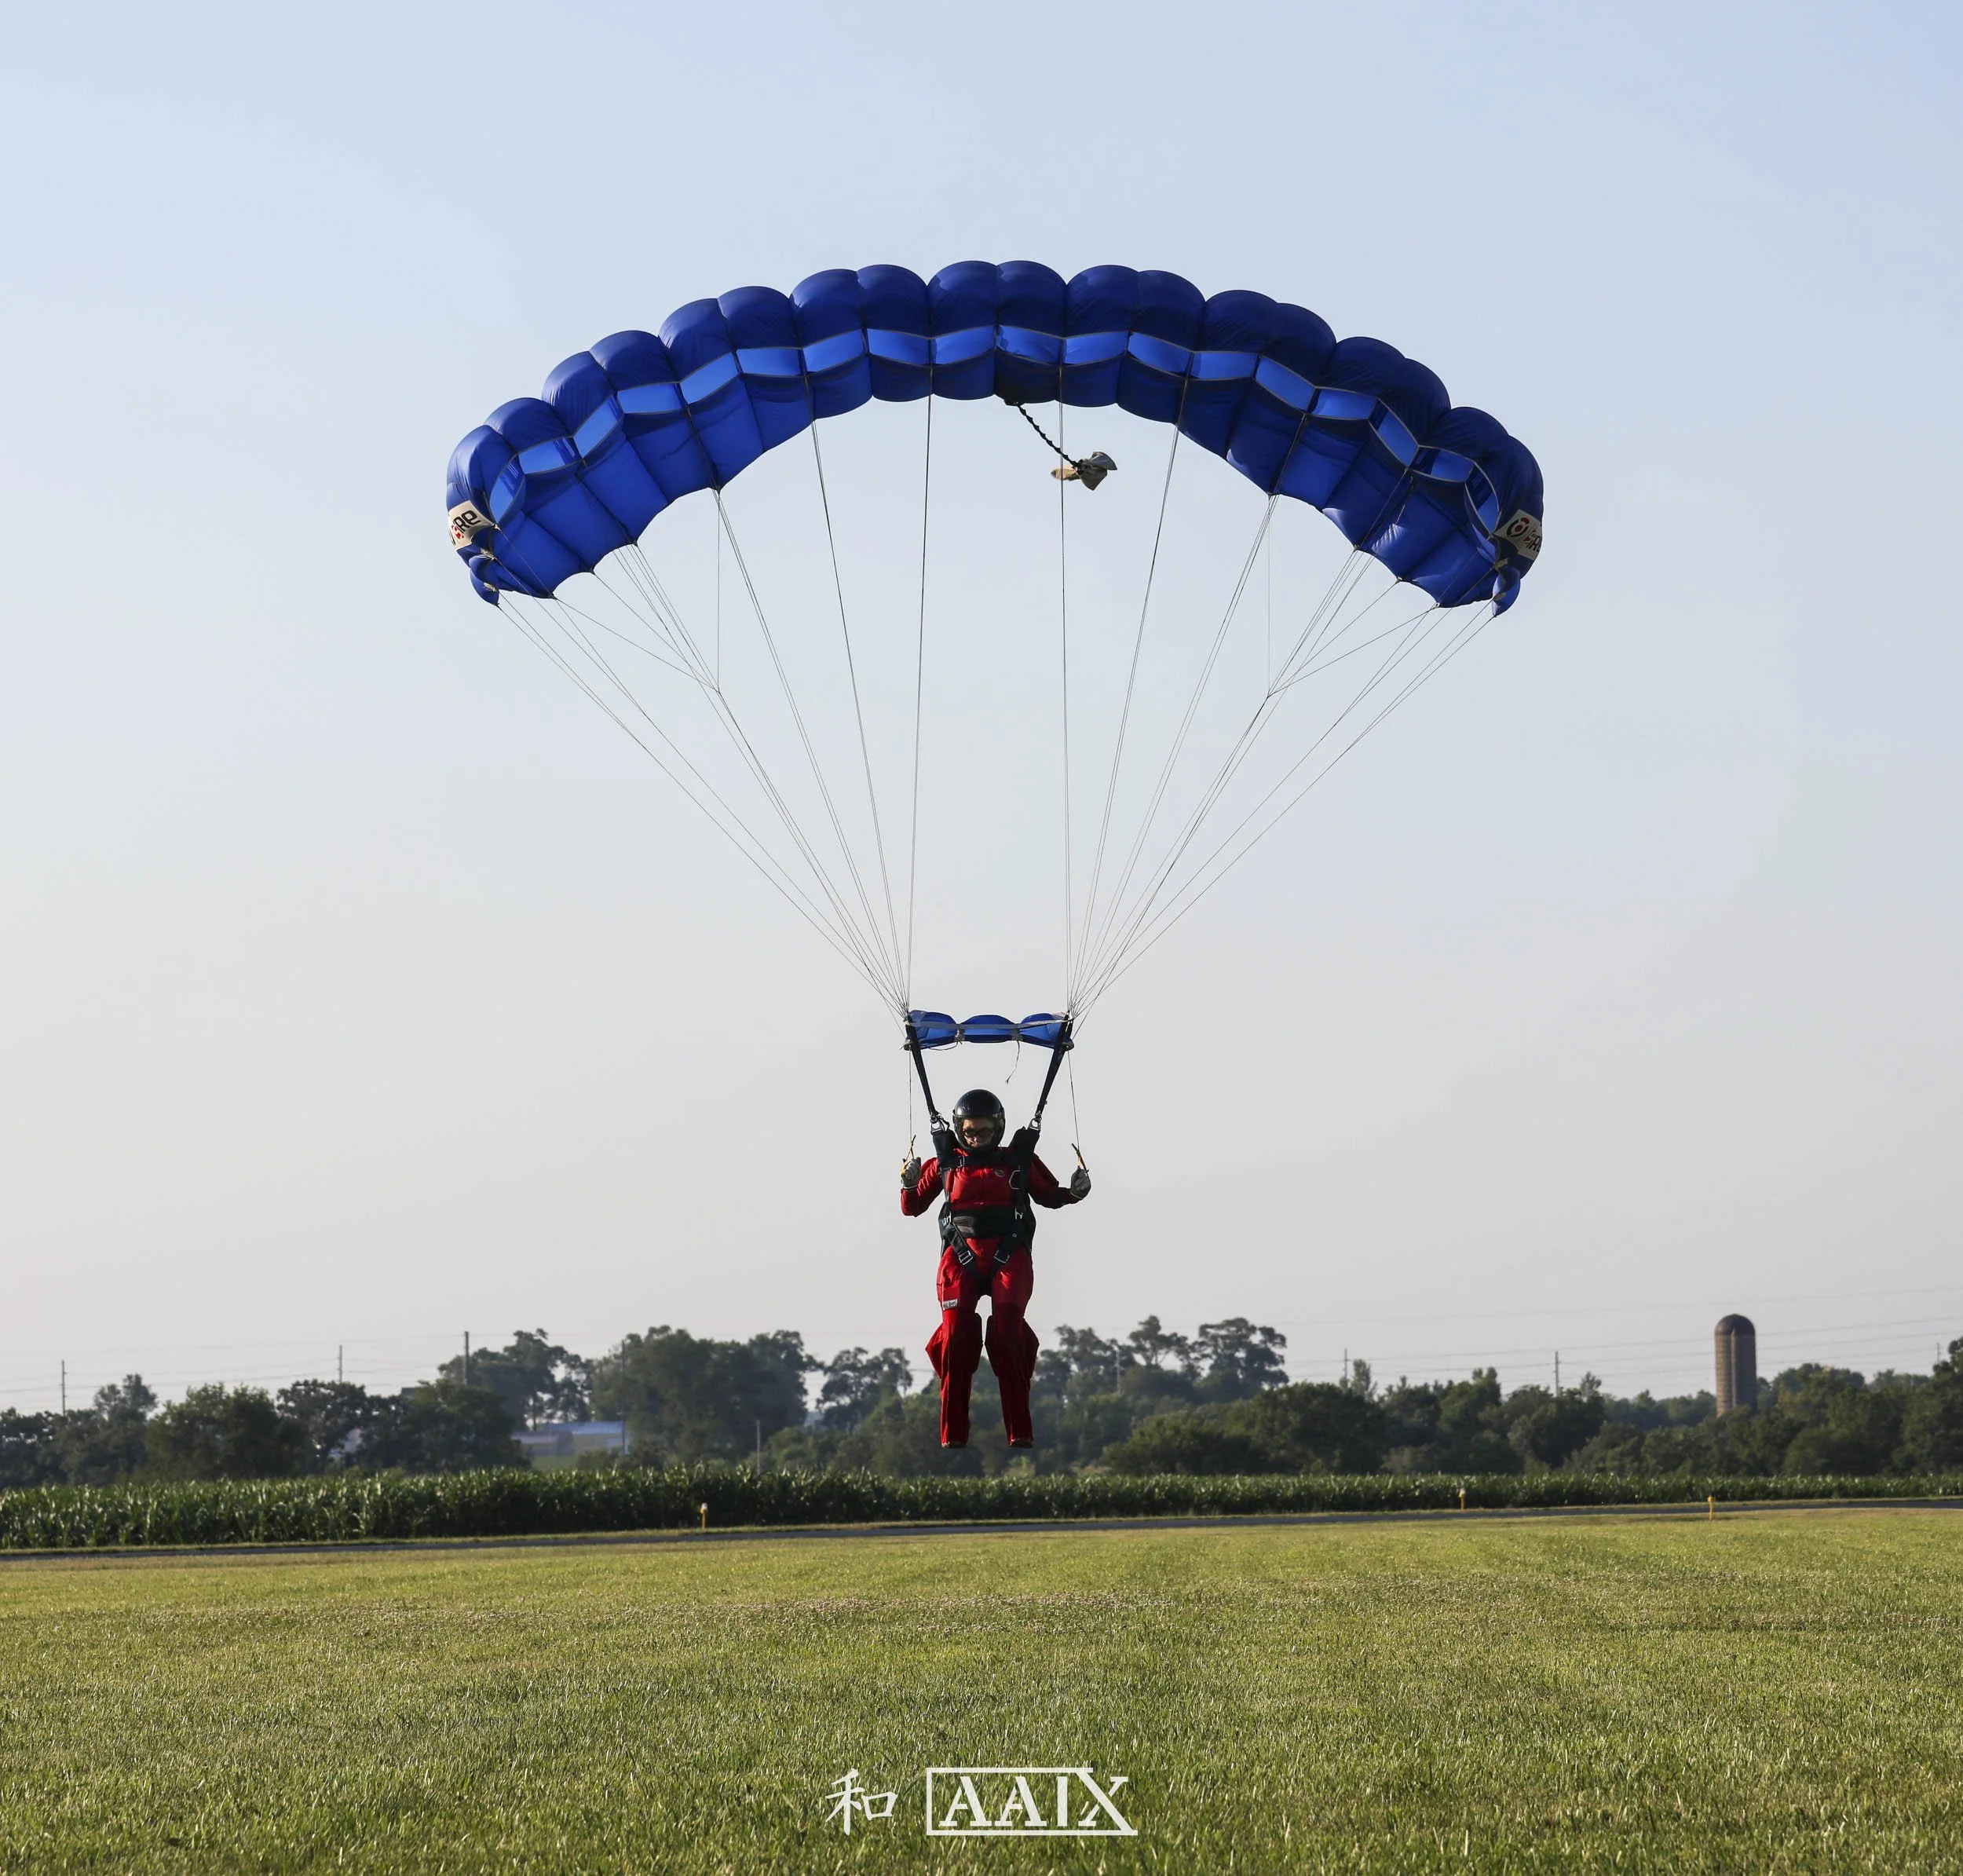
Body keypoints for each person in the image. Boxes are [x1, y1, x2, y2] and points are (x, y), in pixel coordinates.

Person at [901, 1088, 1091, 1449]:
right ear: (959, 1129)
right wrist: (909, 1183)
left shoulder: (1019, 1161)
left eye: (984, 1131)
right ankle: (953, 1432)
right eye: (970, 1131)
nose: (976, 1138)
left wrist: (1075, 1191)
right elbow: (912, 1207)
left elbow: (1051, 1196)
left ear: (998, 1129)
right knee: (956, 1336)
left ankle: (1020, 1429)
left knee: (1006, 1334)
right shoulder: (943, 1162)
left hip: (1009, 1255)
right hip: (960, 1258)